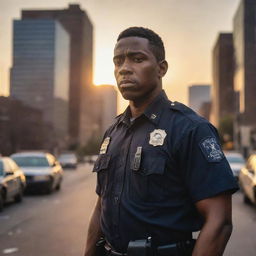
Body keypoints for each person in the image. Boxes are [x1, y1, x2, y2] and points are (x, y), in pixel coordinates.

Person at [84, 27, 238, 256]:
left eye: (137, 59)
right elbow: (102, 206)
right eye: (118, 61)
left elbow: (219, 222)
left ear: (161, 68)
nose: (124, 68)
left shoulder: (191, 129)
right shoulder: (112, 132)